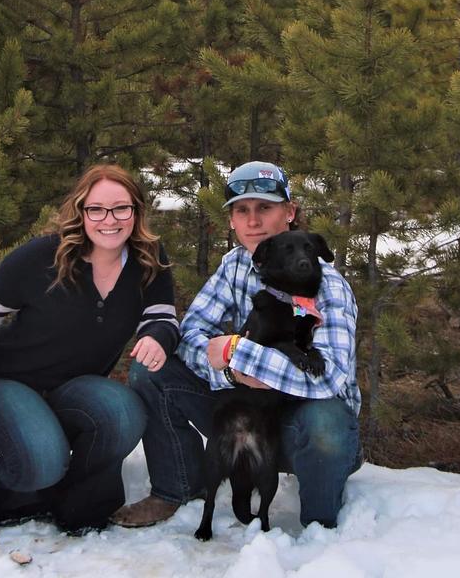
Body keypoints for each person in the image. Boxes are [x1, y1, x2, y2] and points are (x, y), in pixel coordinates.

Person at [0, 163, 179, 534]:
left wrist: (155, 337)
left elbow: (162, 317)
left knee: (123, 412)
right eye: (96, 209)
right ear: (81, 211)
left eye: (121, 208)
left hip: (72, 387)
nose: (109, 220)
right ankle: (15, 497)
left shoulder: (149, 259)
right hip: (5, 384)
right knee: (43, 457)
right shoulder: (40, 258)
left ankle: (81, 503)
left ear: (136, 212)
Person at [113, 160, 361, 530]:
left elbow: (328, 377)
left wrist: (237, 354)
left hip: (305, 430)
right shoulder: (235, 265)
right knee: (152, 368)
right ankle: (176, 489)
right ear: (230, 220)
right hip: (250, 417)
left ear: (290, 212)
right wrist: (231, 374)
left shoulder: (327, 284)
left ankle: (319, 528)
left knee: (326, 422)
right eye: (242, 210)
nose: (253, 221)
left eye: (265, 208)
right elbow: (191, 332)